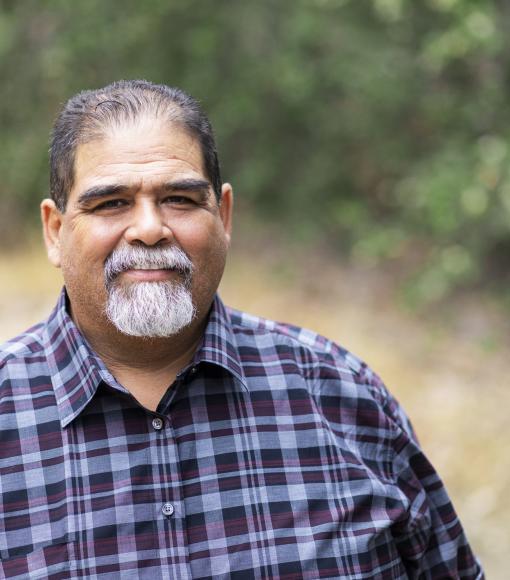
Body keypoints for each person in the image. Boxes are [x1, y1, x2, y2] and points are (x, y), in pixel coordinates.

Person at [0, 80, 484, 579]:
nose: (149, 228)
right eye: (111, 204)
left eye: (179, 199)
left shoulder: (341, 395)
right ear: (55, 232)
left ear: (224, 216)